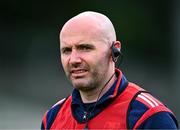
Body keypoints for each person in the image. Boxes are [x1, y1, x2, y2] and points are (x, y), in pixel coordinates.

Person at [41, 11, 178, 129]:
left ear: (114, 50)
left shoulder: (148, 116)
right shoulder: (53, 117)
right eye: (67, 50)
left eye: (85, 48)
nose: (74, 59)